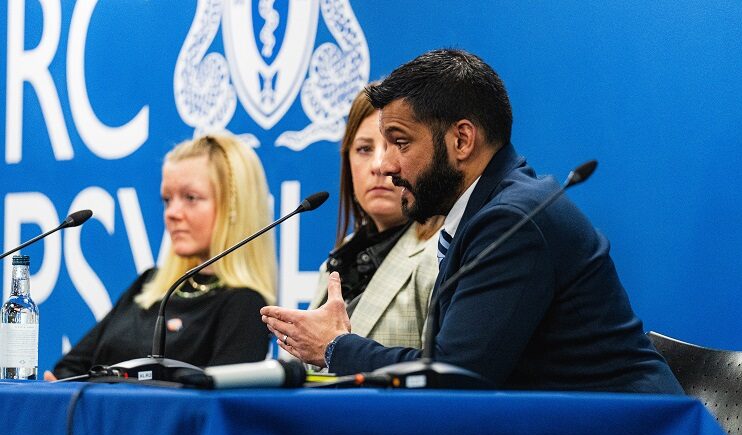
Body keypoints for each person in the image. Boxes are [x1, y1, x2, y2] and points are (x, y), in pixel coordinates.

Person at [261, 49, 683, 393]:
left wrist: (336, 347)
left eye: (400, 143)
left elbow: (453, 377)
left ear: (461, 140)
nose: (386, 166)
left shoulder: (513, 221)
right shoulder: (486, 212)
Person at [48, 134, 278, 380]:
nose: (172, 213)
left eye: (190, 198)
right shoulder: (149, 284)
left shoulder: (244, 305)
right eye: (167, 200)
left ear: (235, 206)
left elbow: (217, 405)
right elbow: (66, 371)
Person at [305, 89, 440, 354]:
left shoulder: (440, 253)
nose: (379, 165)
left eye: (397, 144)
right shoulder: (341, 257)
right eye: (364, 149)